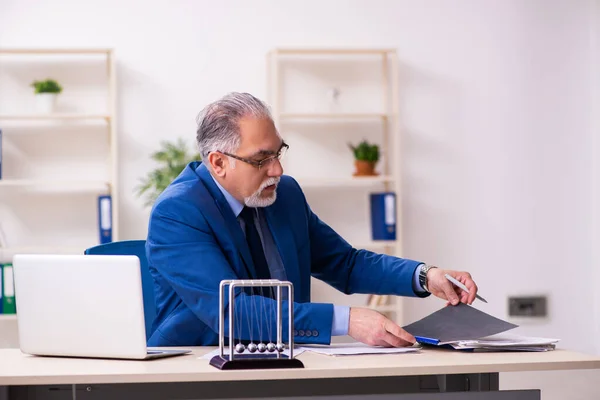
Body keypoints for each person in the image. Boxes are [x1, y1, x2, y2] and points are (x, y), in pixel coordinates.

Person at [145, 92, 480, 348]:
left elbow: (344, 264)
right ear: (218, 163)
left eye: (278, 153)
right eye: (261, 159)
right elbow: (233, 313)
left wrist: (425, 276)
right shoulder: (177, 213)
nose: (277, 170)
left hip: (289, 363)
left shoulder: (284, 194)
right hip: (198, 372)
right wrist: (347, 320)